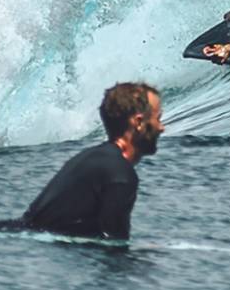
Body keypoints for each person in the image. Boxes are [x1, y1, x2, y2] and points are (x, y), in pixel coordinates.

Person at [17, 82, 164, 240]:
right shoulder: (120, 175)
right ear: (139, 122)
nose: (162, 127)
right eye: (158, 119)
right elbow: (114, 245)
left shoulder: (90, 157)